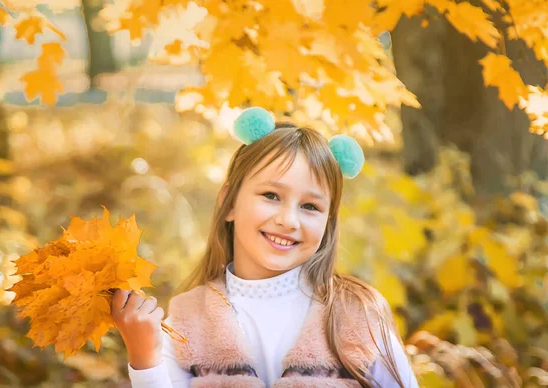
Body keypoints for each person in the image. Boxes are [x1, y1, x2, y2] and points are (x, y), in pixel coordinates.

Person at [111, 107, 419, 387]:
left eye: (310, 206)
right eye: (271, 196)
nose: (288, 220)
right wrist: (145, 357)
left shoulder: (355, 316)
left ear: (328, 221)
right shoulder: (187, 320)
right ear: (229, 203)